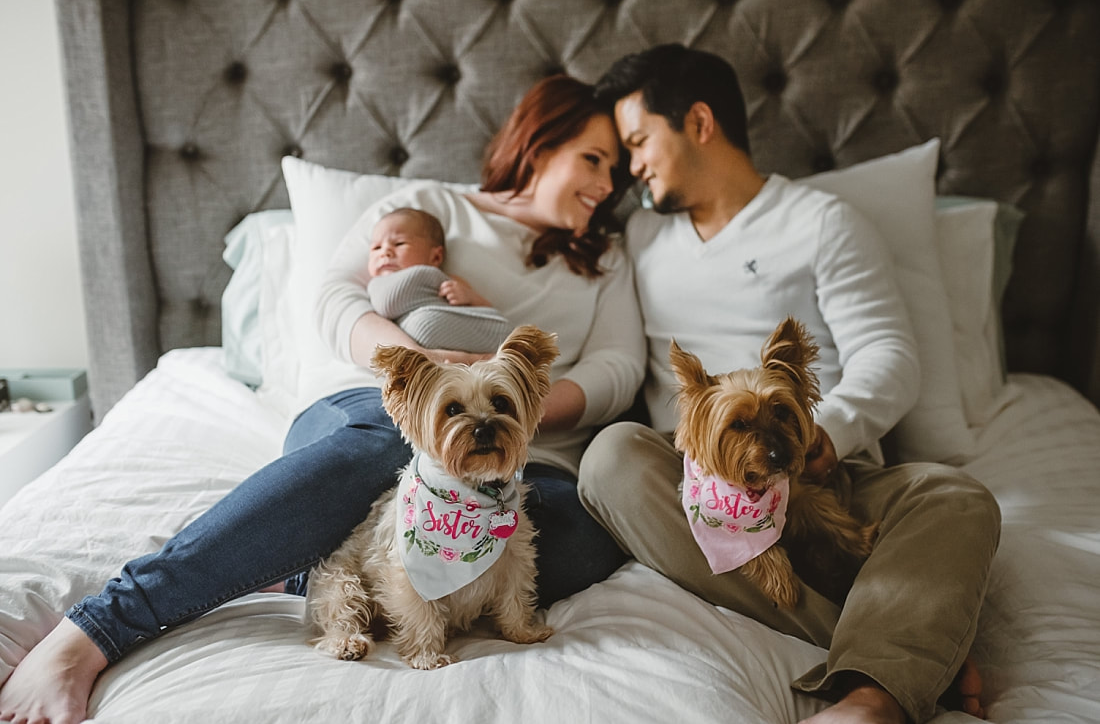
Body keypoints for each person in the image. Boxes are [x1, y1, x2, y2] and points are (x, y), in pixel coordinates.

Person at [0, 74, 646, 724]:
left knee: (585, 533)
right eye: (593, 159)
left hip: (523, 456)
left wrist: (516, 401)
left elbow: (619, 368)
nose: (605, 184)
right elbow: (334, 297)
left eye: (616, 172)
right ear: (539, 143)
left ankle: (315, 560)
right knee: (389, 450)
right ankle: (102, 626)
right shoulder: (428, 206)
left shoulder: (607, 257)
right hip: (377, 414)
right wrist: (424, 382)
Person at [576, 45, 1000, 724]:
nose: (633, 167)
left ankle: (877, 681)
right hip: (699, 486)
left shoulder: (822, 223)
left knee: (958, 498)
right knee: (608, 460)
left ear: (701, 122)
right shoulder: (642, 236)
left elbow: (889, 353)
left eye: (638, 141)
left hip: (822, 472)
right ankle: (891, 653)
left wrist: (830, 432)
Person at [364, 206, 513, 353]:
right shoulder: (372, 291)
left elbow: (486, 312)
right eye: (376, 248)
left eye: (399, 243)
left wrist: (470, 297)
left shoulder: (448, 282)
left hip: (477, 336)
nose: (385, 252)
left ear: (435, 257)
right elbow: (386, 304)